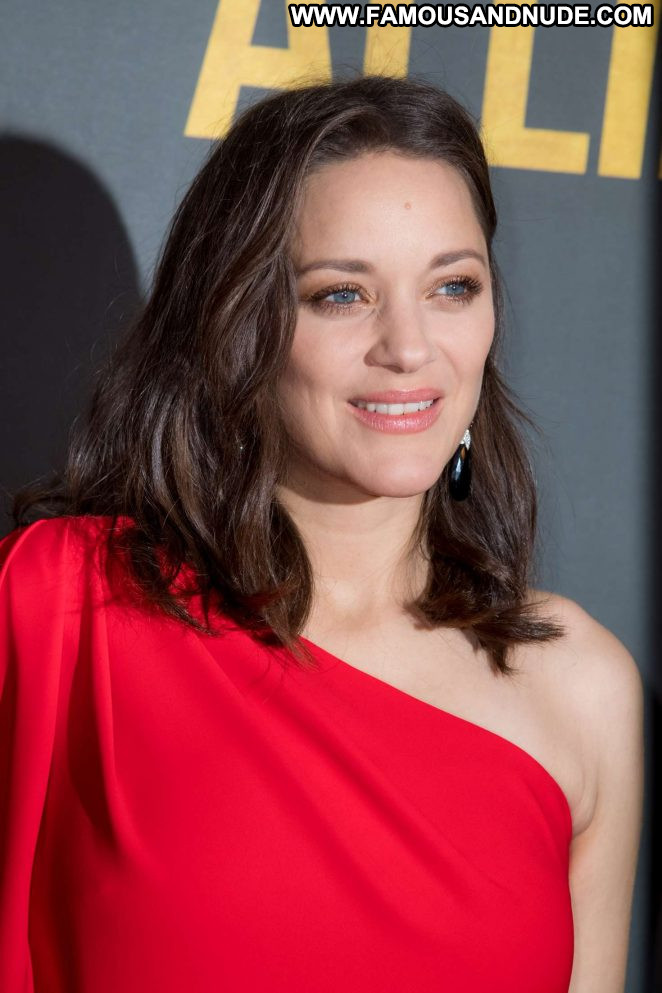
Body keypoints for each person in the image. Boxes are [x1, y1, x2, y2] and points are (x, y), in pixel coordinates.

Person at [0, 73, 643, 993]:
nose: (410, 347)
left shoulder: (582, 687)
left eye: (453, 286)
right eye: (342, 294)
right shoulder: (61, 609)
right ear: (237, 323)